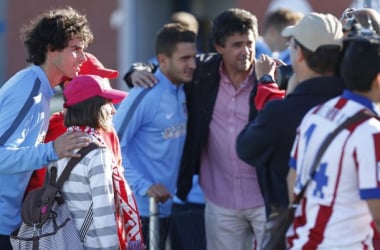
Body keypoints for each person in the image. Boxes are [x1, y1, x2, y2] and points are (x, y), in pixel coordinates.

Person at [124, 8, 266, 250]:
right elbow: (168, 65)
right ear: (219, 47)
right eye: (237, 44)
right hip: (219, 202)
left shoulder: (268, 76)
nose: (246, 51)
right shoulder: (203, 72)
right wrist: (136, 71)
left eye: (250, 43)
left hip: (265, 198)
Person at [236, 12, 344, 222]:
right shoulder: (357, 104)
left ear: (300, 54)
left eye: (292, 46)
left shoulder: (280, 113)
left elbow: (245, 147)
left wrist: (268, 83)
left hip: (296, 230)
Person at [0, 7, 93, 249]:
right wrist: (52, 150)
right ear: (51, 49)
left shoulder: (40, 89)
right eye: (76, 49)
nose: (83, 57)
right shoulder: (28, 89)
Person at [286, 25, 380, 249]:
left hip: (301, 241)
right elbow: (378, 213)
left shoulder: (316, 113)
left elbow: (292, 182)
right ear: (378, 79)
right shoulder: (370, 132)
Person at [114, 23, 197, 250]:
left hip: (166, 207)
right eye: (184, 59)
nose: (192, 64)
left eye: (193, 57)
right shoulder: (145, 93)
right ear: (162, 59)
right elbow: (111, 143)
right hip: (138, 209)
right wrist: (143, 185)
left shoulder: (182, 88)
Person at [58, 74, 132, 249]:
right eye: (108, 103)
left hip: (64, 241)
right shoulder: (97, 152)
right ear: (93, 107)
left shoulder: (61, 144)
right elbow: (103, 211)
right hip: (91, 244)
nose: (113, 110)